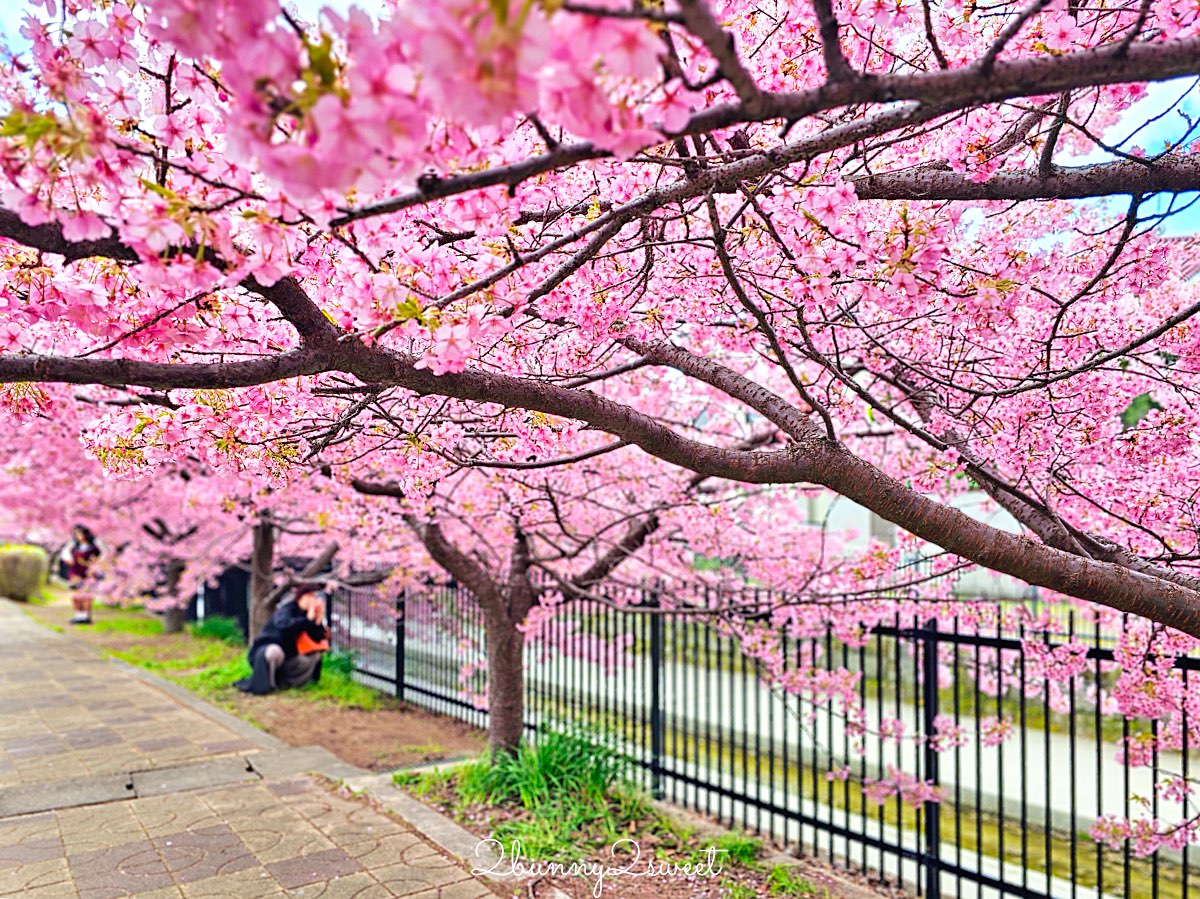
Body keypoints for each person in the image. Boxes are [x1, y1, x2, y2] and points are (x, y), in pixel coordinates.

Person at [235, 584, 331, 695]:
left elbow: (317, 638)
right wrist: (307, 619)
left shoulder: (308, 615)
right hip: (268, 651)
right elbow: (284, 627)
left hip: (291, 655)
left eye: (314, 597)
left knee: (314, 655)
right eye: (309, 596)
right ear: (300, 597)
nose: (312, 601)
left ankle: (293, 684)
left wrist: (318, 620)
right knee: (274, 651)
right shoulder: (286, 610)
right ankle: (268, 684)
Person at [66, 525, 101, 625]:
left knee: (86, 596)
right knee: (75, 595)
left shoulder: (94, 549)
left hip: (88, 574)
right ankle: (78, 616)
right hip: (75, 573)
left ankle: (85, 616)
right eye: (76, 534)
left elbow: (96, 560)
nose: (78, 536)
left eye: (80, 533)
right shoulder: (73, 548)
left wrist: (91, 566)